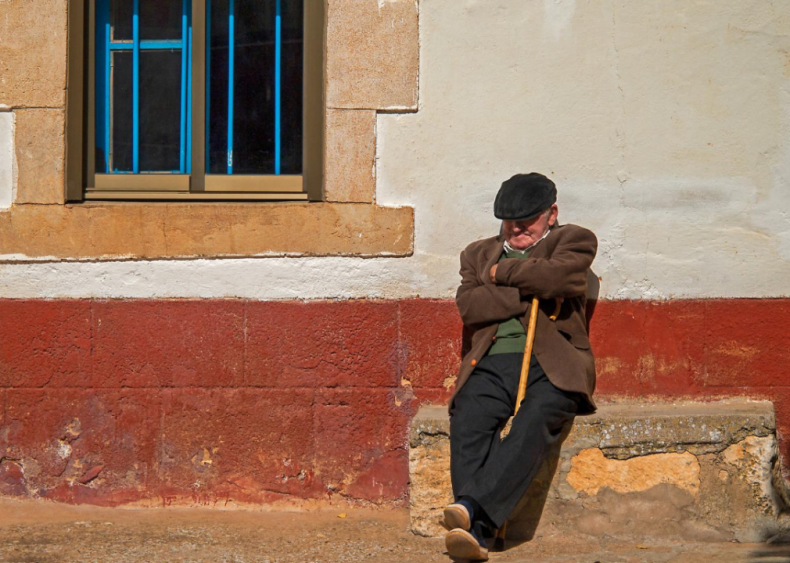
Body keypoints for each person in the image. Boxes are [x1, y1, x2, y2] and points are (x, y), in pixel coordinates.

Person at [442, 173, 598, 562]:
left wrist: (499, 278)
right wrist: (531, 287)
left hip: (555, 364)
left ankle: (473, 515)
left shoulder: (574, 240)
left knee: (537, 418)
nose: (517, 227)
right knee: (468, 416)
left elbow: (561, 278)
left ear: (552, 214)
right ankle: (477, 531)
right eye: (510, 220)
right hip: (492, 360)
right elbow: (471, 307)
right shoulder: (477, 253)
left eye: (528, 218)